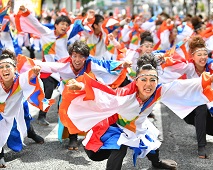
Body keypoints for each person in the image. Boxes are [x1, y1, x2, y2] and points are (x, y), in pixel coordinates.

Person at [59, 51, 213, 169]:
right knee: (113, 148)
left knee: (150, 142)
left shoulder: (159, 90)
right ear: (136, 81)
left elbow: (183, 86)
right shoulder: (125, 94)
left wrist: (208, 80)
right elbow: (103, 94)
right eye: (144, 79)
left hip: (137, 127)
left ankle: (157, 163)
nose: (148, 84)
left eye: (153, 80)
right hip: (113, 128)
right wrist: (82, 87)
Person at [17, 40, 132, 151]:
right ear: (71, 56)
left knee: (91, 113)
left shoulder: (91, 63)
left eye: (81, 57)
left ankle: (94, 136)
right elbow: (45, 65)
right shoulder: (63, 64)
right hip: (67, 94)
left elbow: (107, 65)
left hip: (84, 93)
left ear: (86, 57)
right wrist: (31, 66)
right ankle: (73, 138)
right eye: (75, 56)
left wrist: (122, 64)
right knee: (66, 114)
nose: (77, 60)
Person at [157, 35, 213, 159]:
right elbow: (169, 65)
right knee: (201, 106)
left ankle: (203, 130)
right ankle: (201, 147)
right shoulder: (188, 66)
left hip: (209, 110)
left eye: (205, 54)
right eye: (199, 54)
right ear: (192, 56)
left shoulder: (211, 66)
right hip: (190, 109)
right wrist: (162, 59)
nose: (203, 57)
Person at [0, 49, 54, 168]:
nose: (4, 69)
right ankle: (0, 155)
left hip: (16, 106)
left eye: (8, 66)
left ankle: (31, 133)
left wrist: (34, 73)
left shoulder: (19, 79)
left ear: (15, 68)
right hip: (1, 112)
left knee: (24, 119)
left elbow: (28, 77)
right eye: (1, 66)